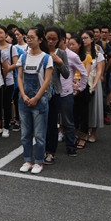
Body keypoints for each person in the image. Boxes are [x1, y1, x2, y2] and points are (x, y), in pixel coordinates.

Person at [16, 27, 53, 174]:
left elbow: (47, 80)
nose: (29, 40)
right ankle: (27, 160)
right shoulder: (23, 57)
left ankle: (39, 161)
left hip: (40, 100)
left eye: (32, 37)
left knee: (39, 134)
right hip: (24, 99)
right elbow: (19, 77)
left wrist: (36, 97)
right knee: (25, 133)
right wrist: (23, 94)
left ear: (40, 39)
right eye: (28, 37)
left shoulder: (47, 58)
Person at [44, 27, 69, 165]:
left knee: (53, 123)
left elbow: (66, 74)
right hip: (41, 92)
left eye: (54, 39)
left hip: (55, 92)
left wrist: (59, 62)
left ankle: (51, 152)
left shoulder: (62, 53)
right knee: (41, 123)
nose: (51, 41)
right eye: (48, 38)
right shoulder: (41, 52)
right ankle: (42, 149)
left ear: (59, 40)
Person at [68, 33, 92, 154]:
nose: (71, 47)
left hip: (82, 87)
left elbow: (85, 74)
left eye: (73, 44)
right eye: (69, 44)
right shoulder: (68, 56)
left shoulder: (87, 57)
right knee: (73, 113)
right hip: (70, 86)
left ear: (79, 45)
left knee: (83, 113)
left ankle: (83, 136)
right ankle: (74, 135)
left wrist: (79, 87)